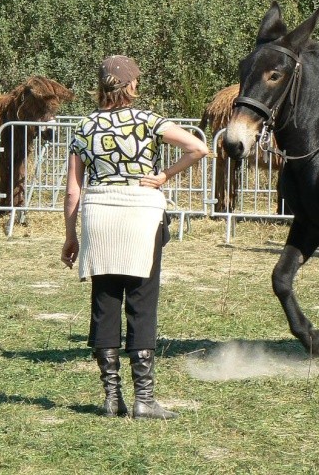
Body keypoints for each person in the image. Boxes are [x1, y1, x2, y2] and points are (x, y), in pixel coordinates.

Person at [61, 55, 208, 419]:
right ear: (130, 85)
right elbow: (199, 148)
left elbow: (72, 191)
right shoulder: (149, 120)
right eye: (136, 81)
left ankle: (112, 398)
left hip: (100, 216)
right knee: (142, 301)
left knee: (104, 301)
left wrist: (69, 235)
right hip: (142, 214)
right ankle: (145, 399)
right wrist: (164, 176)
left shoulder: (84, 127)